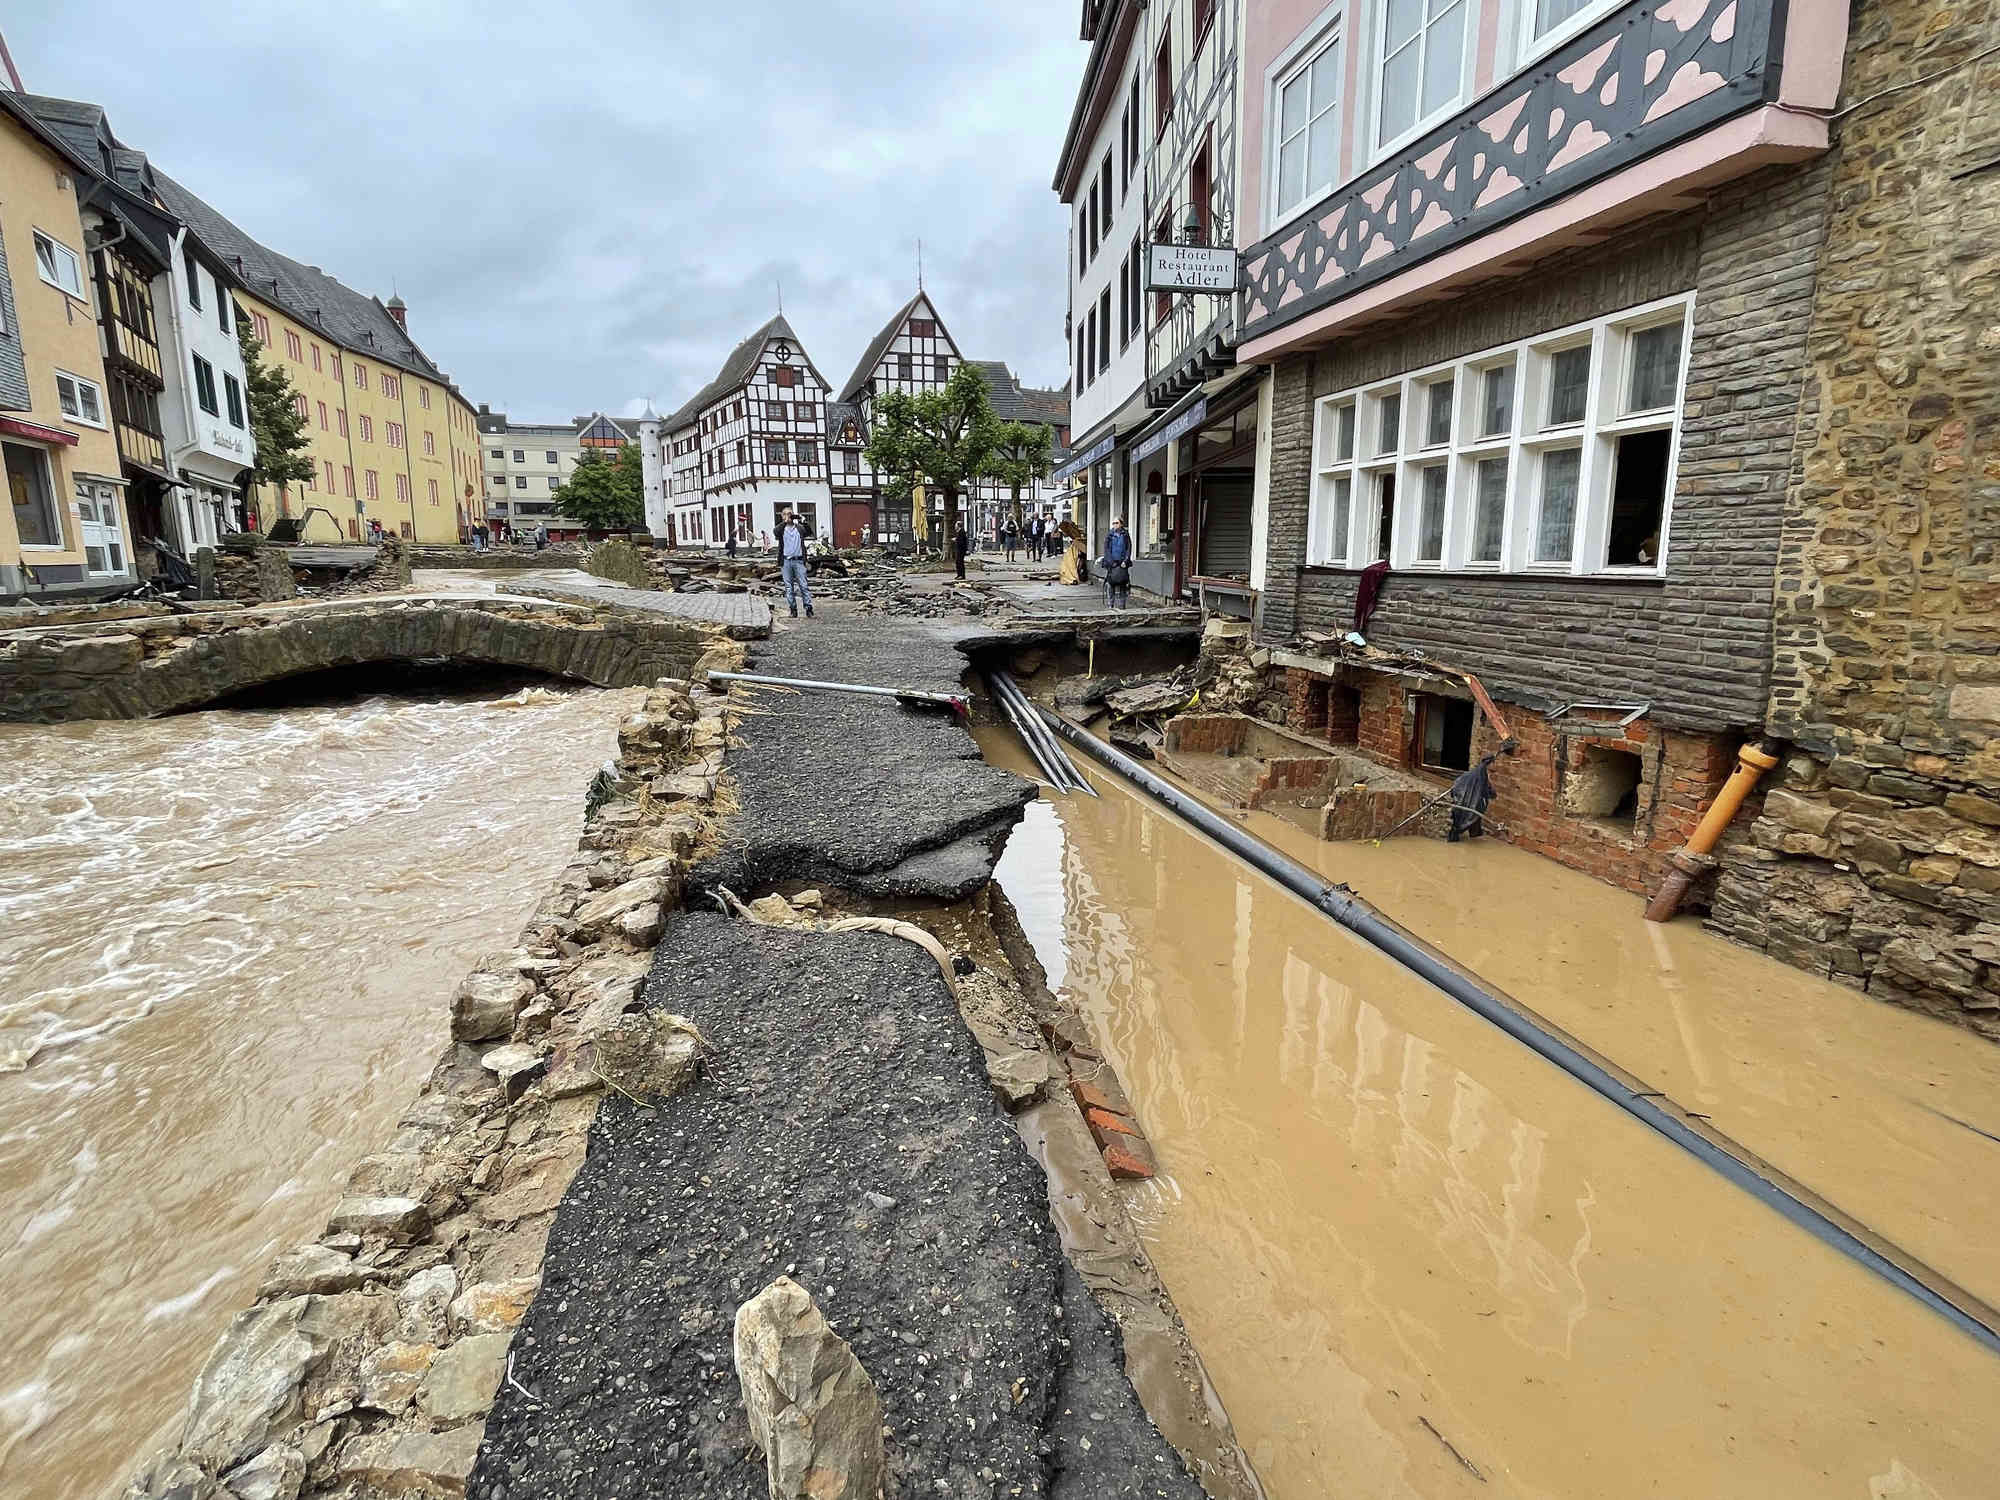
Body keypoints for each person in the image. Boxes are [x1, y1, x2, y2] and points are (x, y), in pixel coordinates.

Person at [779, 509, 813, 619]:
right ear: (782, 516)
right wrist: (785, 521)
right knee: (789, 587)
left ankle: (808, 608)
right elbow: (775, 531)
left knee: (804, 585)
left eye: (790, 514)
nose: (788, 516)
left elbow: (809, 532)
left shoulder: (799, 528)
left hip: (799, 560)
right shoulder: (781, 528)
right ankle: (793, 609)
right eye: (785, 514)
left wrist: (804, 521)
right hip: (786, 561)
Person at [1100, 515, 1132, 610]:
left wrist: (1125, 561)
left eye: (1116, 523)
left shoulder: (1125, 535)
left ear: (1121, 524)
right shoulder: (1109, 535)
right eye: (1113, 523)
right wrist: (1111, 562)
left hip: (1122, 563)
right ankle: (1111, 605)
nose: (1114, 525)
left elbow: (1128, 549)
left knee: (1123, 584)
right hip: (1112, 563)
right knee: (1111, 584)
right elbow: (1106, 549)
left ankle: (1122, 605)